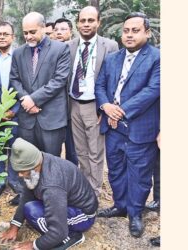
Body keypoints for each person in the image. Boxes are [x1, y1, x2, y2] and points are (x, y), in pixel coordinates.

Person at [95, 12, 160, 238]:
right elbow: (100, 85)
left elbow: (153, 90)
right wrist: (105, 105)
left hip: (140, 128)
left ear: (147, 33)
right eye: (126, 31)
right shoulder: (112, 58)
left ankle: (135, 213)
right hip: (113, 129)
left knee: (140, 174)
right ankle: (120, 206)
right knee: (115, 170)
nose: (129, 35)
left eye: (135, 30)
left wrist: (119, 111)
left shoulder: (157, 58)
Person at [0, 138, 98, 250]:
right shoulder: (40, 158)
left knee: (32, 212)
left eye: (23, 171)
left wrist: (34, 245)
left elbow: (58, 232)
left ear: (35, 166)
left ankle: (72, 237)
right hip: (66, 201)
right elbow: (27, 195)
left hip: (83, 215)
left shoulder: (52, 186)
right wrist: (14, 227)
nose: (20, 175)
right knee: (29, 206)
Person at [67, 6, 118, 197]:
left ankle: (94, 192)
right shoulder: (69, 46)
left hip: (95, 106)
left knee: (95, 152)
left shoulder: (110, 46)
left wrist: (103, 107)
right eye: (83, 20)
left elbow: (112, 79)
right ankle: (85, 186)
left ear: (99, 22)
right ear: (77, 23)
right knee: (81, 150)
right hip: (73, 103)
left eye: (91, 20)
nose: (86, 24)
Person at [10, 12, 71, 157]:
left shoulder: (60, 49)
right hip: (27, 120)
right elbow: (14, 79)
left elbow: (59, 80)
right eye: (25, 33)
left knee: (51, 163)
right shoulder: (18, 53)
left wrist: (33, 99)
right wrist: (26, 100)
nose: (28, 36)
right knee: (28, 163)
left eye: (32, 32)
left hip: (51, 119)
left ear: (43, 28)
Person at [0, 21, 23, 204]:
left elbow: (25, 86)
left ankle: (14, 180)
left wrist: (14, 110)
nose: (1, 37)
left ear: (12, 37)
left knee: (15, 147)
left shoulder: (20, 56)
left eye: (5, 34)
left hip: (16, 113)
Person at [53, 17, 79, 167]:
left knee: (72, 150)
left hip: (71, 109)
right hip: (53, 110)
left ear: (71, 32)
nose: (59, 33)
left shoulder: (75, 51)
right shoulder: (50, 51)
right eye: (56, 30)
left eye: (63, 29)